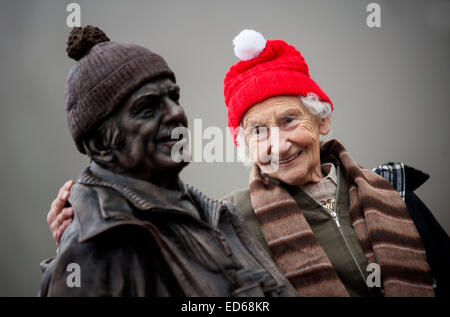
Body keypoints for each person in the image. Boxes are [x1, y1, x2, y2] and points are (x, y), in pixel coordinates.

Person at [48, 29, 450, 297]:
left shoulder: (394, 191)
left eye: (289, 120)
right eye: (257, 131)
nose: (277, 143)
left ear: (322, 118)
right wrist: (72, 242)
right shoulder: (232, 218)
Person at [39, 26, 298, 297]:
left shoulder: (220, 215)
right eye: (148, 108)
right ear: (100, 144)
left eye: (173, 98)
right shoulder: (96, 247)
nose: (176, 113)